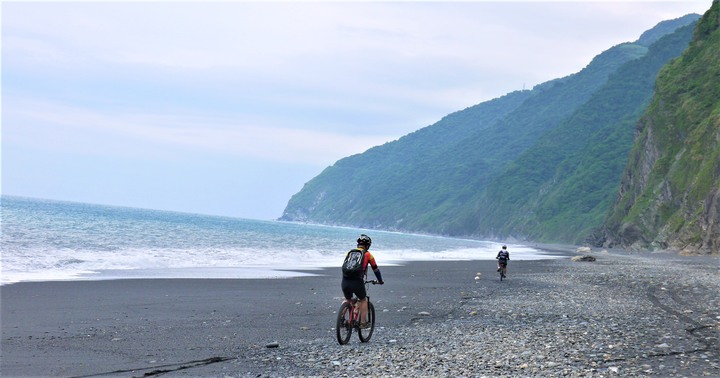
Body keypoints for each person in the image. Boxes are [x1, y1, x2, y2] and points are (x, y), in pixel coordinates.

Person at [341, 234, 384, 328]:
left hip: (345, 280)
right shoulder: (368, 255)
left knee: (348, 299)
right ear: (368, 245)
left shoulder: (350, 253)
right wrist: (380, 281)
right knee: (363, 299)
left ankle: (341, 318)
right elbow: (375, 269)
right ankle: (362, 323)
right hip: (357, 281)